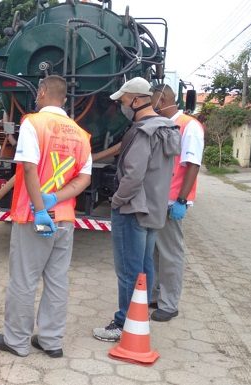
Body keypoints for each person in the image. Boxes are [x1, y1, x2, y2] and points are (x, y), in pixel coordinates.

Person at [0, 75, 92, 358]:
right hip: (64, 218)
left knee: (24, 279)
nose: (36, 95)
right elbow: (84, 178)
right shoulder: (80, 134)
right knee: (57, 280)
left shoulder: (33, 123)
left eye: (39, 90)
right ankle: (51, 341)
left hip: (34, 217)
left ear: (45, 91)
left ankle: (17, 341)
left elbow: (30, 168)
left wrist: (39, 209)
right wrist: (56, 199)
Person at [92, 77, 180, 342]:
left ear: (136, 100)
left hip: (133, 210)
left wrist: (117, 201)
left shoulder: (143, 132)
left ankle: (122, 323)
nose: (121, 106)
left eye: (123, 100)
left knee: (129, 271)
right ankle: (138, 319)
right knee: (144, 269)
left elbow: (133, 176)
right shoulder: (167, 129)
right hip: (154, 209)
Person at [149, 84, 205, 322]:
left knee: (171, 253)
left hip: (172, 201)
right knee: (155, 252)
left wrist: (181, 199)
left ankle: (169, 304)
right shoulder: (164, 124)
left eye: (151, 101)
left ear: (161, 100)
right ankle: (155, 295)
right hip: (159, 198)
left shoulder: (189, 126)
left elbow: (192, 164)